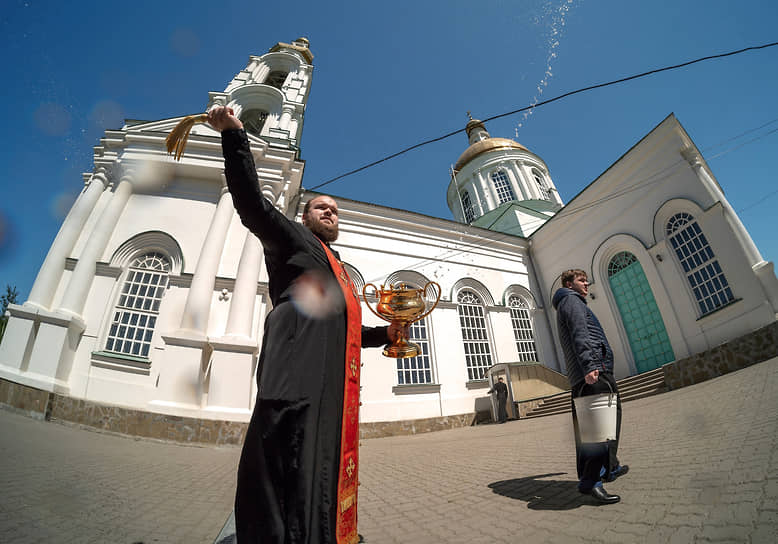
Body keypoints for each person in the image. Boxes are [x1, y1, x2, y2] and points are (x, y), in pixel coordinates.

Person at [208, 105, 407, 543]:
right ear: (305, 216)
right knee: (285, 472)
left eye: (335, 210)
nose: (330, 212)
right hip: (295, 385)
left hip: (330, 391)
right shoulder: (293, 239)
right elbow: (252, 205)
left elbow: (341, 328)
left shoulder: (336, 266)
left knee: (321, 470)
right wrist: (234, 138)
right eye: (321, 207)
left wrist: (383, 335)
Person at [552, 269, 629, 504]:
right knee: (597, 430)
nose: (587, 283)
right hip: (593, 372)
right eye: (581, 280)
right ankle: (591, 481)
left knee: (604, 424)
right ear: (568, 283)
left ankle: (609, 467)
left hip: (592, 370)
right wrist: (589, 365)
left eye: (586, 280)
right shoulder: (571, 301)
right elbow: (580, 334)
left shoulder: (570, 302)